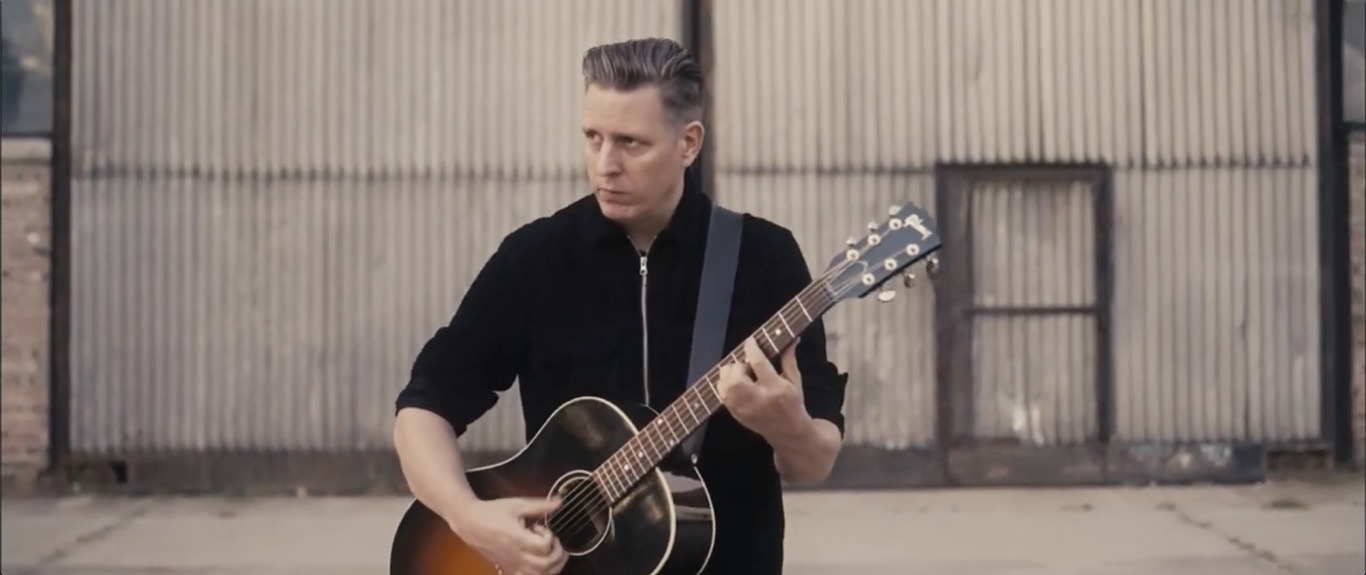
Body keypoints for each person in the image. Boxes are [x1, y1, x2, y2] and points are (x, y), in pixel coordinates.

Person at [392, 37, 849, 575]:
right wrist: (468, 517)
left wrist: (786, 425)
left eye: (630, 143)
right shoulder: (536, 258)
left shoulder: (763, 257)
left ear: (688, 143)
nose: (605, 165)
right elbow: (423, 410)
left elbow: (814, 462)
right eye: (593, 137)